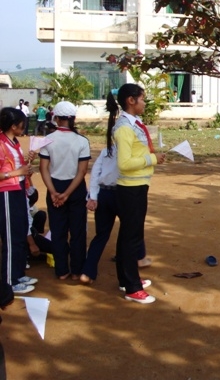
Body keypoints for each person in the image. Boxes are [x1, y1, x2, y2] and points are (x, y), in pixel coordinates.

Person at [107, 84, 165, 304]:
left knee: (128, 236)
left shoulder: (133, 124)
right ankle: (132, 288)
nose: (144, 103)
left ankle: (126, 279)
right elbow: (124, 163)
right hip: (130, 188)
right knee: (131, 238)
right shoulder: (124, 127)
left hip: (137, 186)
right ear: (131, 100)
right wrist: (152, 159)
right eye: (142, 99)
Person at [80, 145, 151, 284]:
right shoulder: (132, 152)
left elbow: (95, 173)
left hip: (104, 194)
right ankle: (140, 258)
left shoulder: (107, 150)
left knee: (101, 235)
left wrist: (93, 196)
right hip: (124, 194)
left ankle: (87, 272)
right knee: (132, 229)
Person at [39, 101, 91, 281]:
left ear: (56, 118)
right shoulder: (82, 141)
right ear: (73, 119)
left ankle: (61, 270)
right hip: (75, 189)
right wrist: (68, 193)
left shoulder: (48, 139)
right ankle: (77, 270)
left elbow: (43, 168)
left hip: (54, 185)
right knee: (77, 231)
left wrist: (54, 192)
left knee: (58, 229)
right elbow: (82, 171)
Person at [0, 108, 37, 294]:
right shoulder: (0, 143)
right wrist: (17, 172)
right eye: (22, 124)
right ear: (13, 126)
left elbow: (19, 168)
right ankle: (9, 282)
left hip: (19, 189)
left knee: (21, 230)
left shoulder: (13, 143)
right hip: (6, 193)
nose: (24, 127)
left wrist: (26, 168)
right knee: (10, 236)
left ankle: (18, 273)